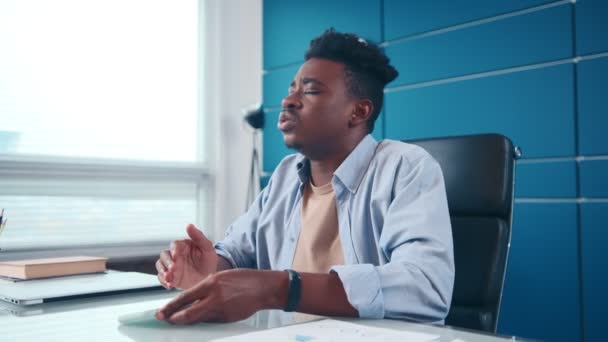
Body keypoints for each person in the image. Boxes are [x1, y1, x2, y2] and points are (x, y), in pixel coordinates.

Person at [155, 28, 454, 324]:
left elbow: (424, 287)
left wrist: (279, 288)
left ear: (359, 112)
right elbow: (236, 253)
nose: (289, 101)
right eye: (291, 90)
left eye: (310, 91)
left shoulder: (405, 167)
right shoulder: (285, 175)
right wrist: (209, 268)